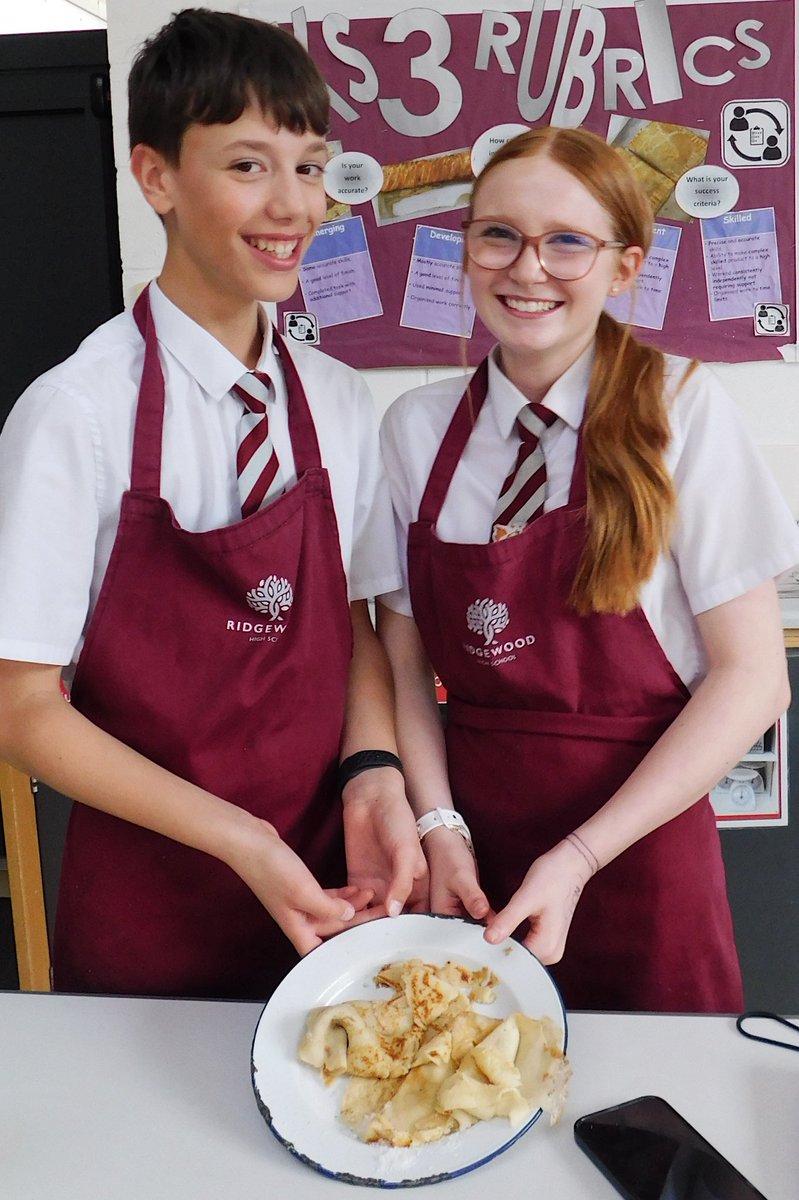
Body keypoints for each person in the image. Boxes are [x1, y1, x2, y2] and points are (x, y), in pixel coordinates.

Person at [0, 8, 426, 1000]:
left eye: (309, 165)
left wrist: (374, 771)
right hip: (154, 900)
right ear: (155, 177)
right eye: (247, 166)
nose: (293, 205)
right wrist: (240, 839)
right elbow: (20, 708)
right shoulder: (75, 414)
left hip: (334, 881)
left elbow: (354, 626)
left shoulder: (335, 400)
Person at [377, 126, 799, 1013]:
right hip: (471, 854)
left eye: (567, 241)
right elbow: (401, 665)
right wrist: (437, 827)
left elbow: (754, 681)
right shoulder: (414, 433)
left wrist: (579, 857)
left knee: (653, 1124)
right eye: (498, 235)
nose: (527, 269)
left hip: (640, 848)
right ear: (467, 252)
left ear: (621, 266)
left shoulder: (682, 408)